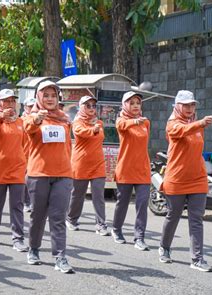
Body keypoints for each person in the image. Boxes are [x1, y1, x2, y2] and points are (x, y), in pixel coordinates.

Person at [159, 90, 212, 272]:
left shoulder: (196, 125)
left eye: (192, 105)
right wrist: (199, 123)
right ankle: (164, 247)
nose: (190, 108)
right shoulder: (172, 123)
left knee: (196, 218)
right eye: (186, 105)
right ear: (177, 106)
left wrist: (198, 124)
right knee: (173, 215)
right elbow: (180, 131)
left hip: (198, 178)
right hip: (177, 178)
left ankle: (197, 258)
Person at [23, 81, 73, 273]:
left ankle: (60, 256)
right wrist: (36, 119)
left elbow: (68, 146)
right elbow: (28, 128)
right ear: (39, 97)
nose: (50, 99)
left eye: (53, 95)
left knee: (58, 216)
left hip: (63, 174)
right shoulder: (32, 117)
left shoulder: (64, 118)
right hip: (39, 174)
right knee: (38, 215)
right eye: (46, 95)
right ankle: (33, 249)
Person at [0, 89, 28, 252]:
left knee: (17, 205)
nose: (10, 104)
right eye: (6, 101)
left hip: (17, 169)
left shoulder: (21, 122)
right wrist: (2, 116)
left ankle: (18, 238)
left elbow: (25, 144)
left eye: (12, 101)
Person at [111, 91, 151, 251]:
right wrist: (134, 121)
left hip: (143, 169)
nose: (135, 106)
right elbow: (122, 126)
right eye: (132, 103)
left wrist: (139, 121)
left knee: (142, 204)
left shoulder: (146, 122)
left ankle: (139, 237)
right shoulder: (121, 120)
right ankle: (116, 229)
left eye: (138, 103)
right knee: (123, 203)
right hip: (126, 169)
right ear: (125, 105)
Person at [66, 95, 109, 235]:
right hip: (81, 163)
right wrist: (93, 129)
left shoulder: (99, 122)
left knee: (99, 195)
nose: (91, 108)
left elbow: (99, 136)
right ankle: (71, 219)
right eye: (87, 105)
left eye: (93, 105)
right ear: (81, 107)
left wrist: (96, 127)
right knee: (78, 195)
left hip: (98, 163)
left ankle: (101, 224)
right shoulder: (77, 122)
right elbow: (81, 133)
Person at [21, 97, 35, 213]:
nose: (32, 108)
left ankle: (33, 201)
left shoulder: (39, 119)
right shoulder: (21, 120)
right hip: (23, 153)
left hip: (35, 153)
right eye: (30, 106)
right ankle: (26, 202)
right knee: (26, 179)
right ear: (25, 107)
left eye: (33, 106)